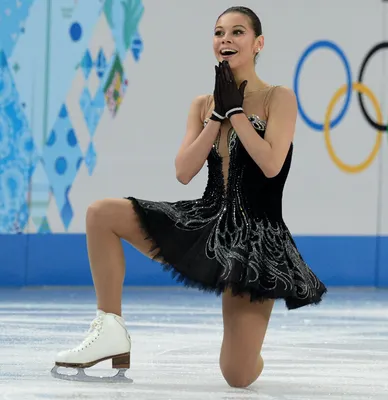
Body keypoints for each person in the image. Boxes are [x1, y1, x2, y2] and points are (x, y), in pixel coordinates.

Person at [51, 6, 327, 388]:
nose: (226, 39)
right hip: (206, 221)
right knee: (101, 214)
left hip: (254, 239)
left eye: (237, 32)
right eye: (219, 32)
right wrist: (217, 115)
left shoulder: (278, 98)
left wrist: (237, 112)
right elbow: (183, 172)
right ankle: (109, 327)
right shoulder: (202, 105)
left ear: (258, 43)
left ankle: (252, 348)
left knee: (238, 374)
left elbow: (270, 165)